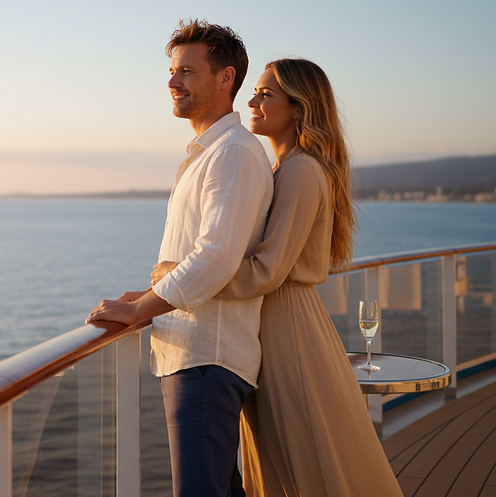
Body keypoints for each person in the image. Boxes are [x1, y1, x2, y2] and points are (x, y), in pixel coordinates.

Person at [152, 58, 403, 495]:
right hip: (277, 321)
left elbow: (267, 270)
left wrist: (178, 278)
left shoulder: (302, 171)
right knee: (282, 459)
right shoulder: (285, 167)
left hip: (288, 329)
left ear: (300, 107)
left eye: (266, 94)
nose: (252, 101)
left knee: (301, 457)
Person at [87, 19, 273, 497]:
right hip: (196, 357)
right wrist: (150, 295)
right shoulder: (212, 151)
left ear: (225, 77)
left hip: (206, 359)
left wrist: (139, 309)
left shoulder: (232, 152)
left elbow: (215, 258)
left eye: (187, 71)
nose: (172, 82)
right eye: (173, 71)